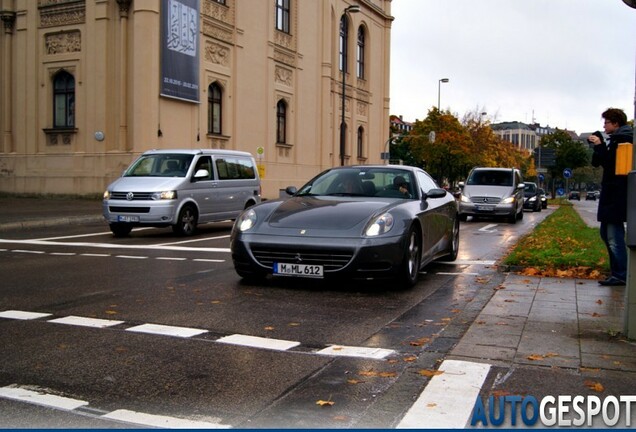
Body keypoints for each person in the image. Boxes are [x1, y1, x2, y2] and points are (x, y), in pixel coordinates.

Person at [588, 108, 634, 286]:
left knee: (614, 237)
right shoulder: (614, 139)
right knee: (606, 235)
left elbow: (612, 165)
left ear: (616, 123)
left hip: (616, 194)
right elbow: (598, 162)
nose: (604, 125)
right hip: (611, 194)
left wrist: (600, 145)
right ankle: (617, 272)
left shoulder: (624, 139)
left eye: (606, 122)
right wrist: (598, 146)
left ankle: (621, 274)